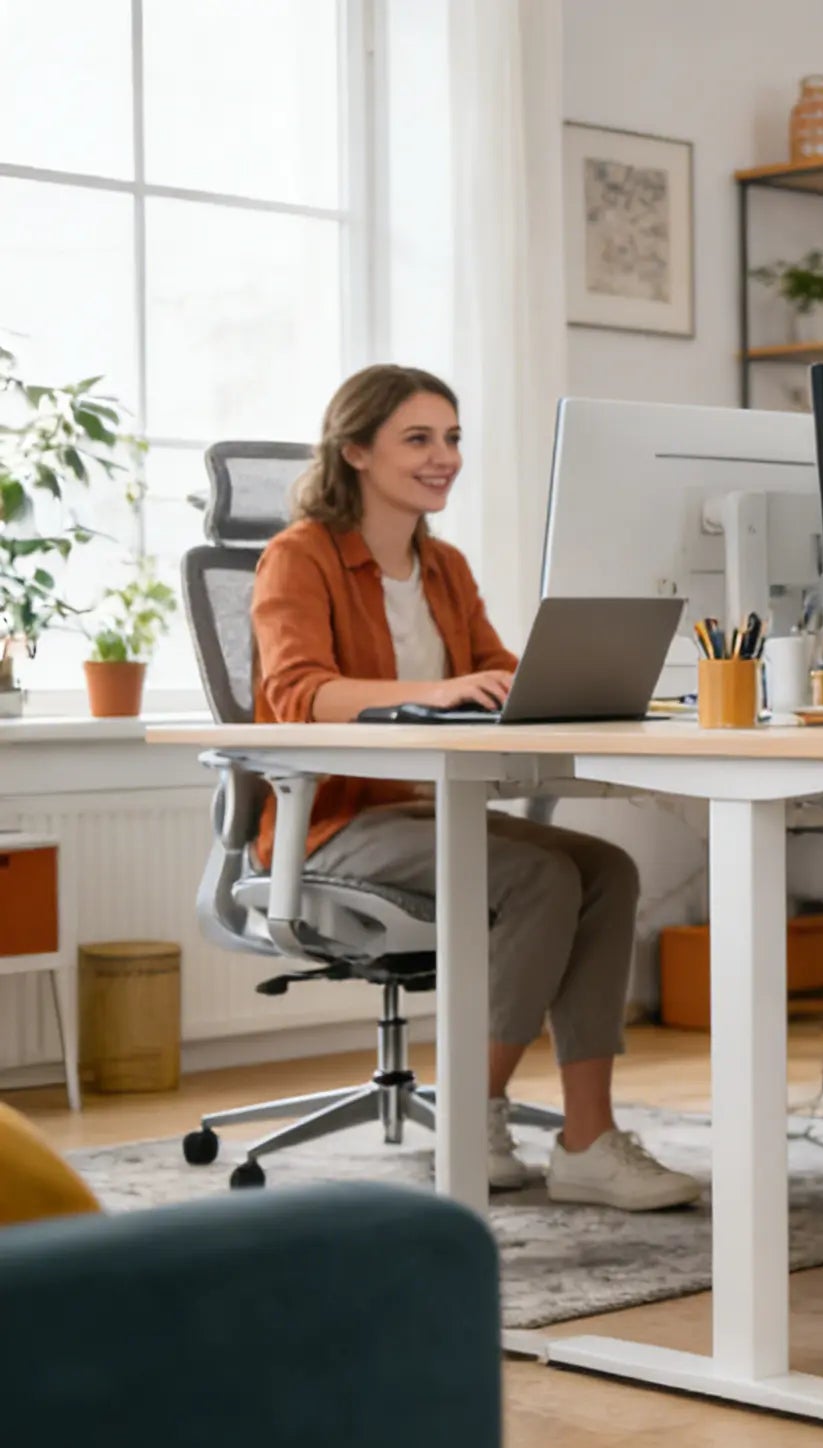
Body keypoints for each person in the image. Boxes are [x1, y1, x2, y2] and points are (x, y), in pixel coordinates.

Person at [249, 363, 700, 1211]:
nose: (444, 456)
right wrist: (429, 694)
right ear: (355, 450)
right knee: (541, 874)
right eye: (418, 438)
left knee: (608, 869)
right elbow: (297, 694)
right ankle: (472, 1112)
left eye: (452, 438)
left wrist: (557, 682)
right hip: (336, 822)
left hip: (431, 810)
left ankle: (587, 1140)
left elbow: (495, 670)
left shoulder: (442, 565)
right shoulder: (297, 557)